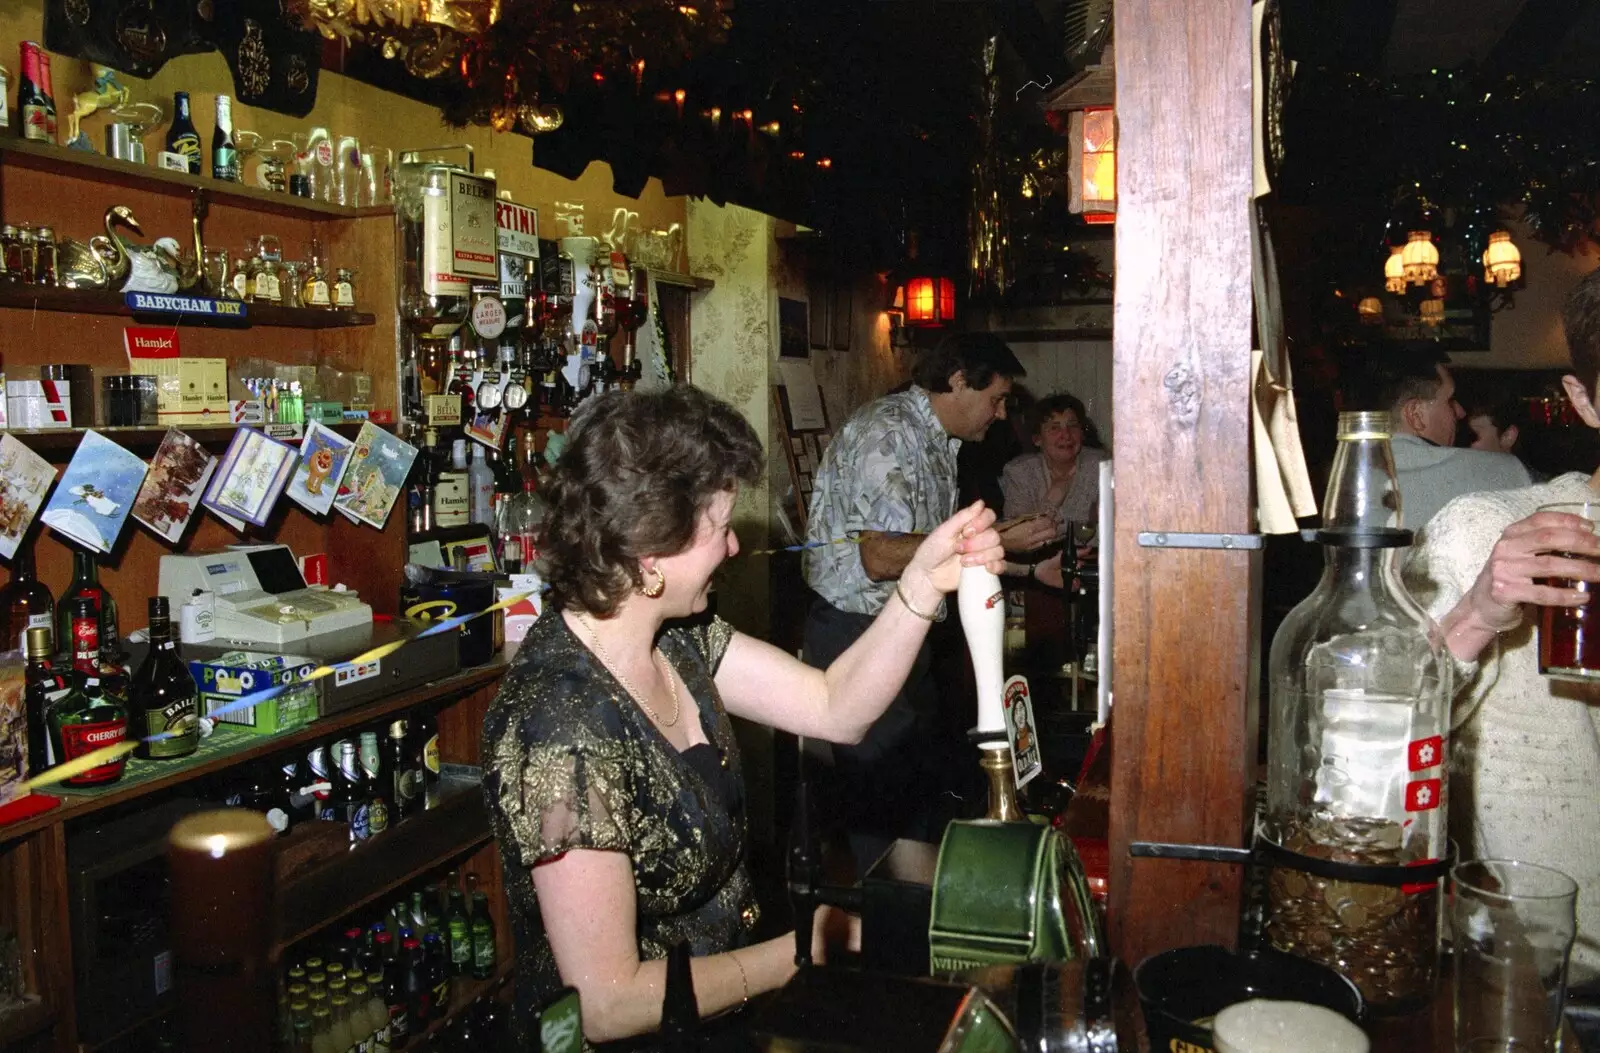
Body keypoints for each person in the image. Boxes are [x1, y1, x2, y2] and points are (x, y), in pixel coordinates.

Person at [481, 386, 1006, 1048]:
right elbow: (605, 1002)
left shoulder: (678, 639)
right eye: (720, 526)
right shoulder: (561, 724)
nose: (733, 547)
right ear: (650, 551)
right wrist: (798, 951)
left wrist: (922, 582)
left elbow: (833, 705)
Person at [1404, 267, 1600, 982]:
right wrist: (1475, 613)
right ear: (1583, 400)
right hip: (1546, 977)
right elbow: (1374, 752)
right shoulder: (1485, 531)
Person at [801, 332, 1053, 868]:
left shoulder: (938, 440)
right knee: (886, 819)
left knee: (913, 804)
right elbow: (881, 555)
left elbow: (935, 557)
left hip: (897, 633)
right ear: (959, 380)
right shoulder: (889, 433)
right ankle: (894, 938)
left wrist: (1026, 565)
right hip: (858, 633)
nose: (1003, 413)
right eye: (998, 399)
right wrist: (1001, 538)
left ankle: (912, 927)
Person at [1372, 352, 1530, 531]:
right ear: (1415, 414)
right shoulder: (1501, 471)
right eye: (1449, 400)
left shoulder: (1341, 479)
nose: (1460, 412)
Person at [999, 391, 1110, 527]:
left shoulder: (1100, 465)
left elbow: (1109, 529)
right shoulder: (1020, 473)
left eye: (1073, 425)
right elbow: (1017, 533)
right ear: (1037, 439)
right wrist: (1053, 499)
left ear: (1082, 433)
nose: (1066, 435)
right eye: (1054, 428)